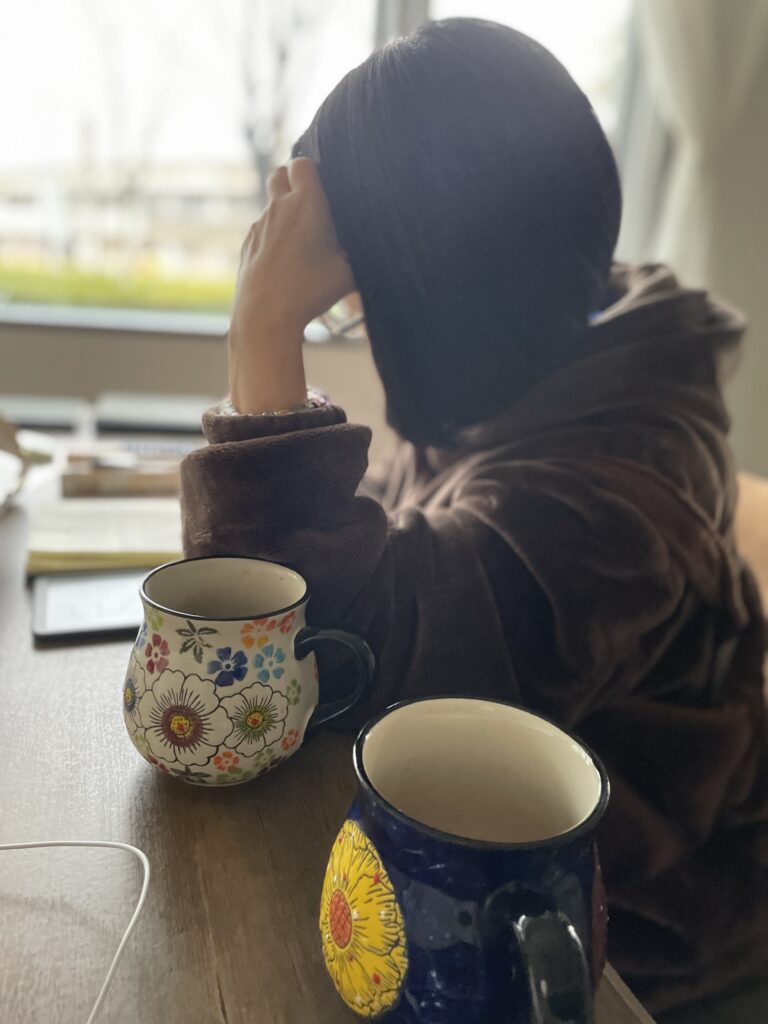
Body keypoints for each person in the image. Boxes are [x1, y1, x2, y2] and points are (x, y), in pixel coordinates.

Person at [180, 17, 768, 1014]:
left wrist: (266, 333)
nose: (361, 333)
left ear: (447, 293)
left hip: (616, 946)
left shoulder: (619, 491)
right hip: (472, 886)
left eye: (359, 306)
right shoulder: (530, 375)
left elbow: (341, 670)